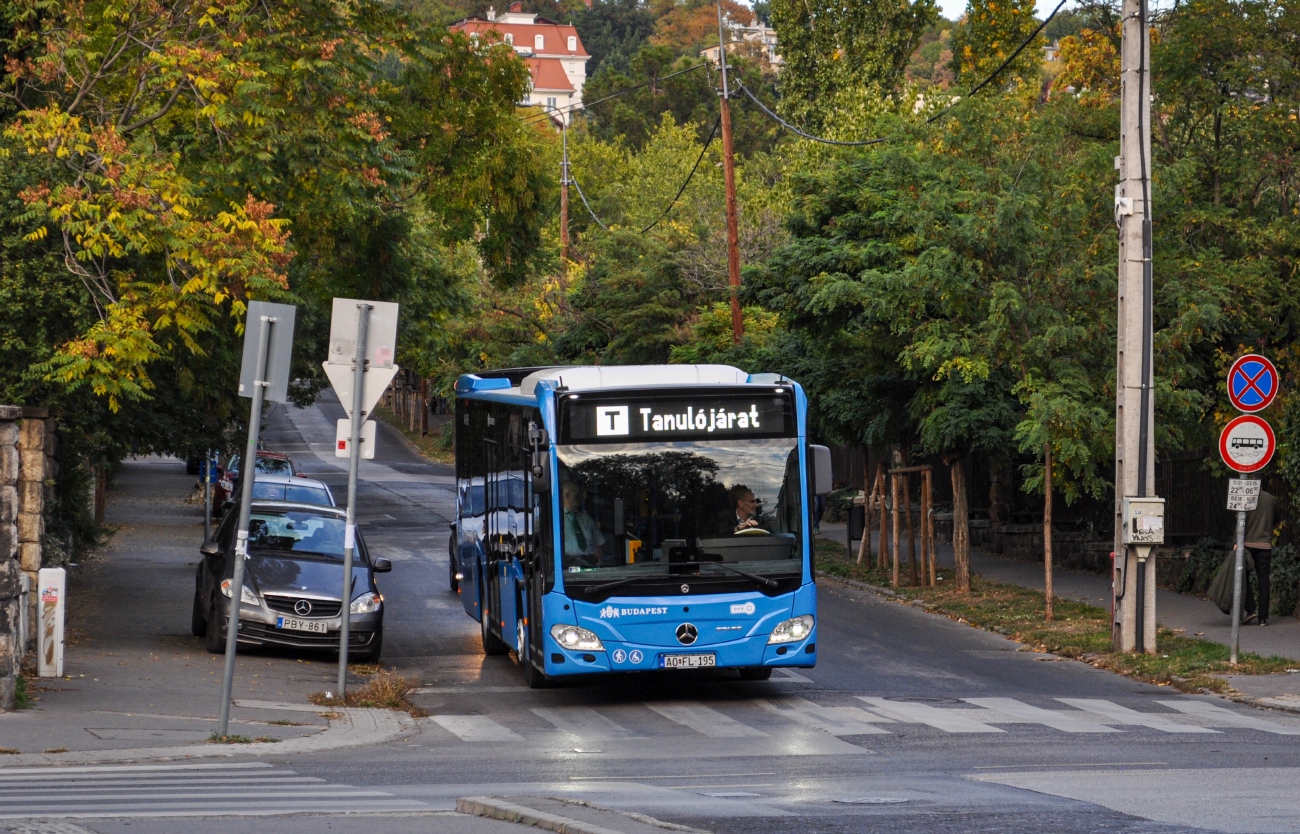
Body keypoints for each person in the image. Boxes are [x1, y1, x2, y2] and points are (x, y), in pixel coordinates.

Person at [1242, 488, 1277, 626]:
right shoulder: (1271, 499)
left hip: (1248, 544)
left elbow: (1240, 521)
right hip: (1264, 545)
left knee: (1242, 576)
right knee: (1263, 580)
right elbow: (1277, 517)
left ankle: (1250, 609)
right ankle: (1263, 618)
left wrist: (1236, 541)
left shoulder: (1245, 497)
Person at [561, 481, 606, 567]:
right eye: (576, 496)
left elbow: (597, 545)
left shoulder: (586, 518)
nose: (580, 500)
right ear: (567, 496)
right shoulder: (556, 519)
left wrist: (600, 566)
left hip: (589, 566)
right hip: (566, 567)